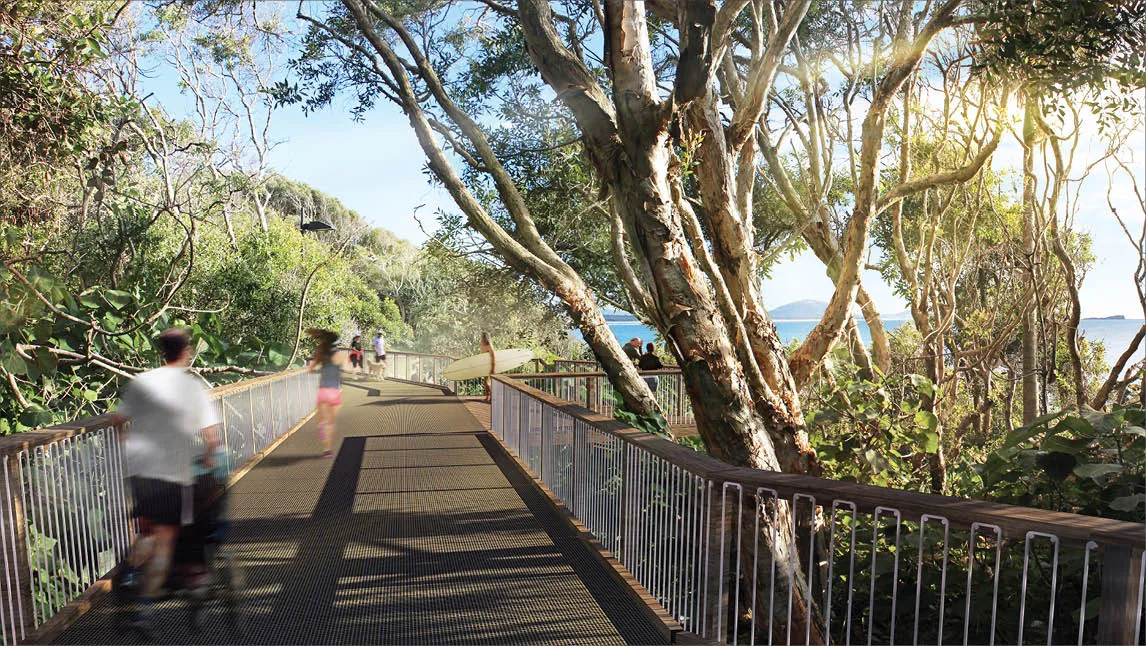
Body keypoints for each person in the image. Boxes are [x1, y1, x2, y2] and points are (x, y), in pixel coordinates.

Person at [113, 328, 221, 632]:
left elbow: (117, 421)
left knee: (146, 529)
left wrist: (128, 449)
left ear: (161, 351)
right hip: (174, 474)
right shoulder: (192, 388)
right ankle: (142, 611)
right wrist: (209, 459)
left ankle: (132, 574)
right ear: (186, 352)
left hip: (140, 471)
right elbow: (211, 438)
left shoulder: (142, 382)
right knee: (164, 541)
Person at [307, 328, 348, 459]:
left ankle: (323, 439)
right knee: (331, 422)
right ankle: (328, 450)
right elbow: (346, 368)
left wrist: (318, 370)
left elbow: (311, 369)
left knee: (321, 422)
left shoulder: (320, 353)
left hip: (323, 391)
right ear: (336, 343)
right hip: (335, 391)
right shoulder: (340, 355)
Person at [479, 331, 495, 403]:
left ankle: (491, 397)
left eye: (481, 336)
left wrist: (492, 368)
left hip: (490, 366)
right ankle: (487, 396)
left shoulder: (489, 345)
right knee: (485, 382)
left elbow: (493, 357)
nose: (480, 337)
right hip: (485, 366)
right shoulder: (482, 345)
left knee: (489, 382)